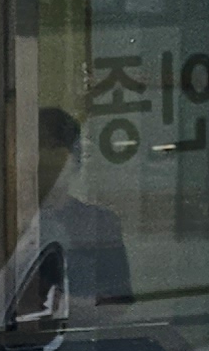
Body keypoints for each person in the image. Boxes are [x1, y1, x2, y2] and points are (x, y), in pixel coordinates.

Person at [34, 106, 137, 311]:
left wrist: (62, 305)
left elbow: (117, 304)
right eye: (39, 147)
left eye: (56, 149)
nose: (47, 159)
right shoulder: (0, 226)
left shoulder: (100, 223)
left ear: (75, 160)